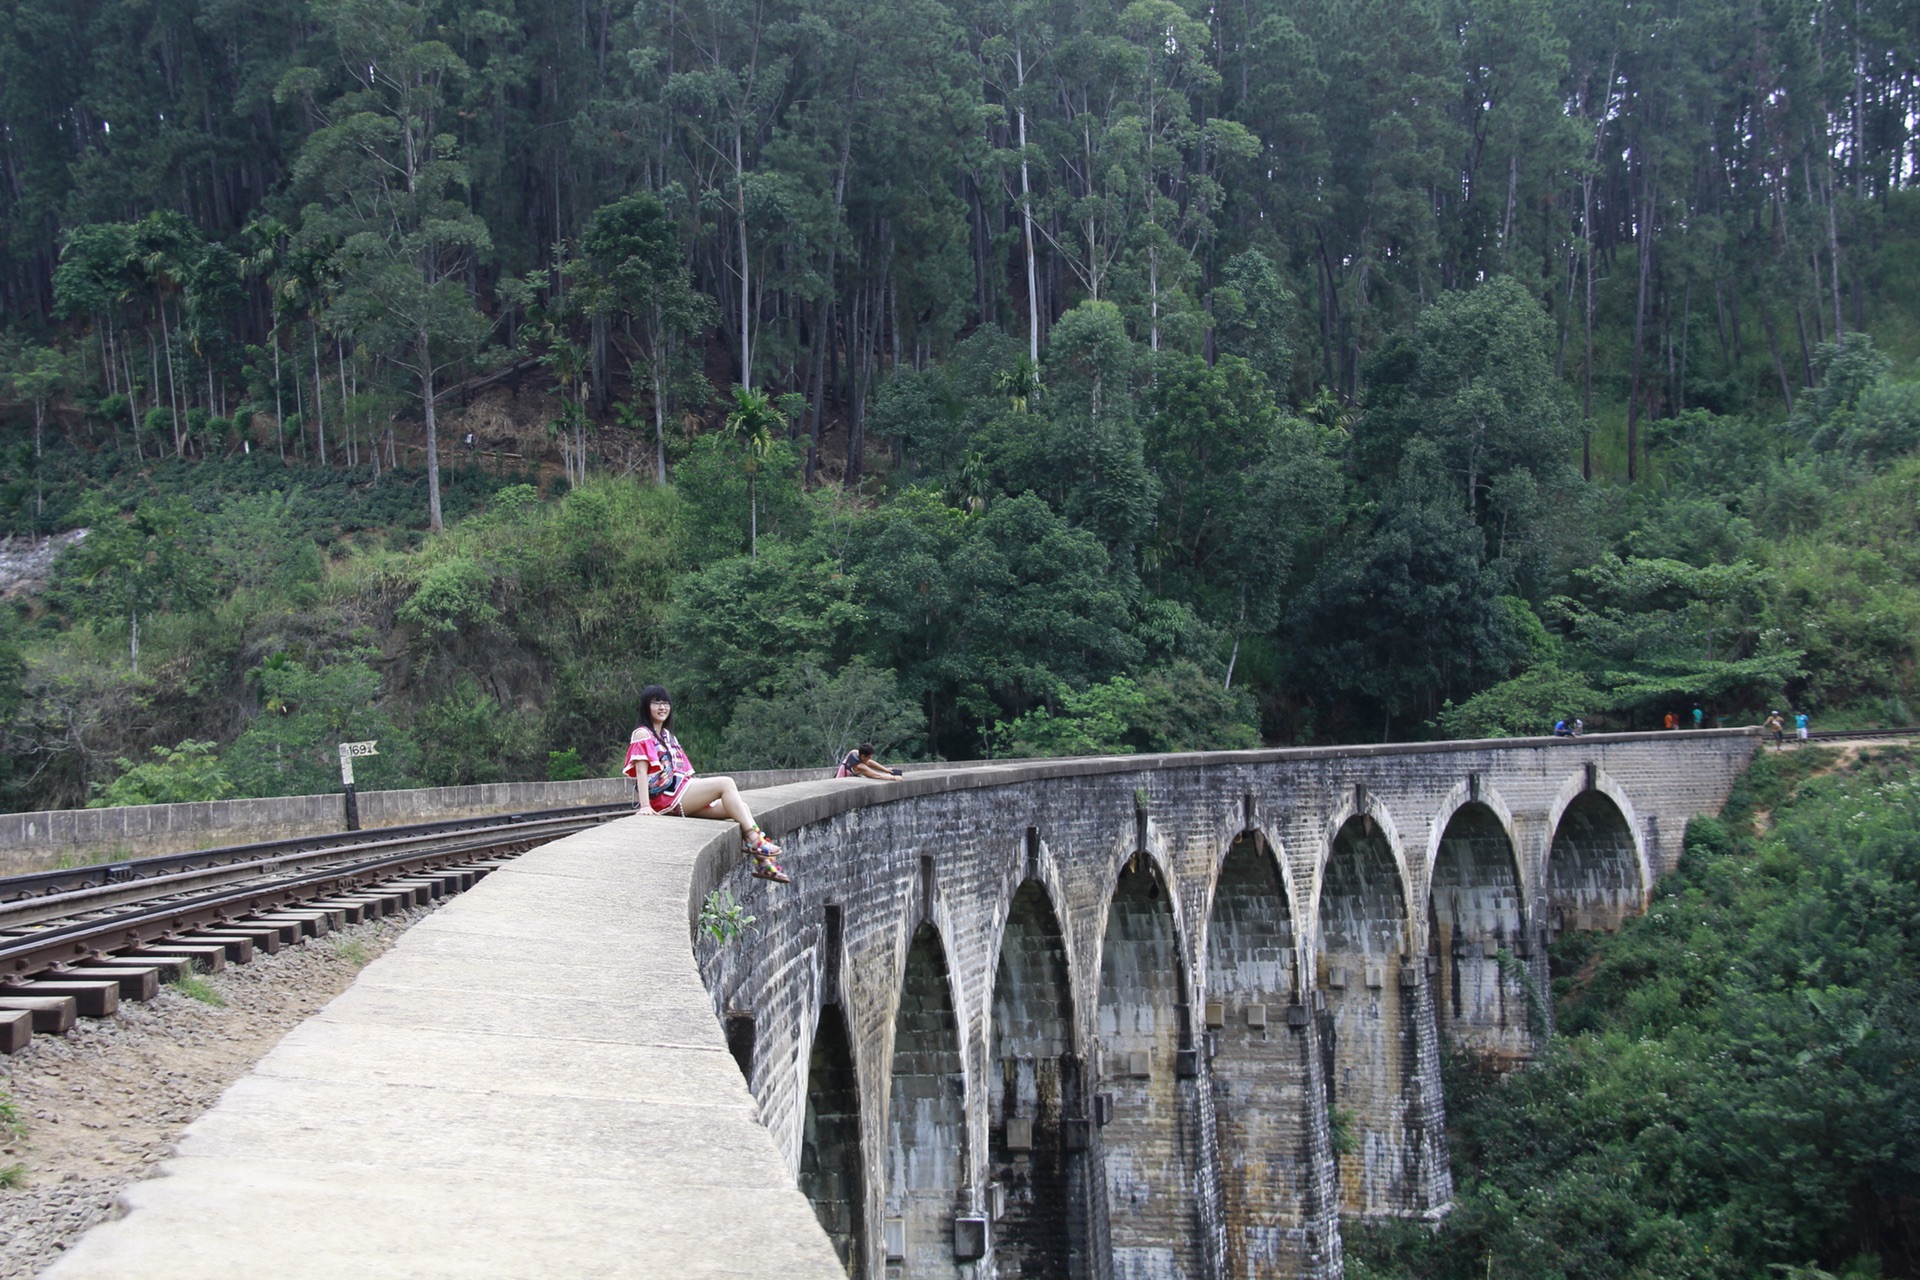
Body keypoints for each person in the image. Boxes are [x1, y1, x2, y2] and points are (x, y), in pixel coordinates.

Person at [625, 684, 790, 884]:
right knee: (726, 783)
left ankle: (764, 864)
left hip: (681, 793)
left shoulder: (668, 736)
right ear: (646, 706)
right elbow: (641, 772)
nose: (662, 707)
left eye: (665, 703)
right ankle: (755, 840)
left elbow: (682, 772)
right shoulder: (642, 734)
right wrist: (645, 806)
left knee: (740, 807)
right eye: (656, 702)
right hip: (666, 799)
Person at [837, 742, 904, 780]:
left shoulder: (853, 752)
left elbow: (869, 762)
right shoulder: (859, 766)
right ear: (863, 756)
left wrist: (886, 770)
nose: (870, 759)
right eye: (869, 757)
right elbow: (877, 775)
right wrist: (894, 777)